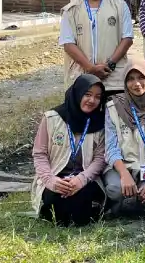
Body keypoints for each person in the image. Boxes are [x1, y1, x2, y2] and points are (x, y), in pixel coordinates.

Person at [31, 74, 107, 226]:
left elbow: (100, 158)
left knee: (81, 202)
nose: (92, 100)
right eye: (87, 94)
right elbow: (40, 154)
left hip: (85, 178)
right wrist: (51, 180)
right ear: (77, 93)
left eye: (97, 97)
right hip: (56, 176)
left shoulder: (100, 122)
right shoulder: (52, 118)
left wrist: (81, 180)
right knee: (54, 201)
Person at [103, 59, 145, 214]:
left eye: (141, 78)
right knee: (115, 189)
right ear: (125, 82)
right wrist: (125, 175)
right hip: (121, 167)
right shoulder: (113, 107)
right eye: (131, 79)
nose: (137, 83)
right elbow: (111, 147)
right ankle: (117, 204)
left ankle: (138, 200)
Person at [60, 0, 134, 94]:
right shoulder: (70, 11)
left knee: (114, 114)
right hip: (81, 77)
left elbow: (127, 38)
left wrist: (109, 65)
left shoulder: (119, 5)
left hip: (113, 77)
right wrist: (90, 68)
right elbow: (68, 44)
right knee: (84, 113)